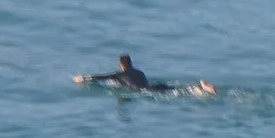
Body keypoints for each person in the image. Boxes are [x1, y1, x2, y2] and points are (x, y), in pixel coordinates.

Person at [74, 54, 214, 95]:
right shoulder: (140, 72)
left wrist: (84, 78)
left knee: (178, 94)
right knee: (178, 90)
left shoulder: (118, 75)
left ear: (121, 65)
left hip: (146, 91)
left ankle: (200, 89)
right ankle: (200, 87)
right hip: (154, 85)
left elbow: (101, 77)